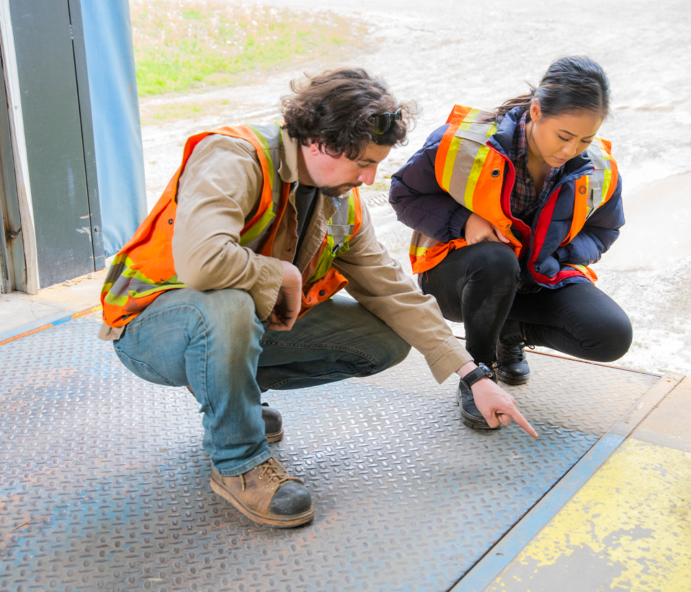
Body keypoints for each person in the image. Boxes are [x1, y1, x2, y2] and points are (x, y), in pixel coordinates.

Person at [98, 68, 537, 530]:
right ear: (322, 143)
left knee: (383, 340)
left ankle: (235, 401)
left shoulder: (339, 198)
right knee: (228, 303)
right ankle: (239, 463)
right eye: (363, 163)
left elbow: (390, 287)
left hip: (229, 325)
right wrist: (282, 274)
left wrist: (473, 375)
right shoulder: (233, 156)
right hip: (150, 326)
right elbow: (202, 263)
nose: (369, 178)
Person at [389, 56, 633, 429]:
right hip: (459, 276)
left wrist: (558, 256)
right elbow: (403, 195)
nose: (570, 150)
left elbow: (604, 230)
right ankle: (478, 371)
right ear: (536, 111)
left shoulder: (599, 167)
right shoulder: (462, 144)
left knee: (610, 336)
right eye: (563, 136)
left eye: (585, 139)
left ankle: (507, 329)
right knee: (496, 260)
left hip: (533, 279)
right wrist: (463, 221)